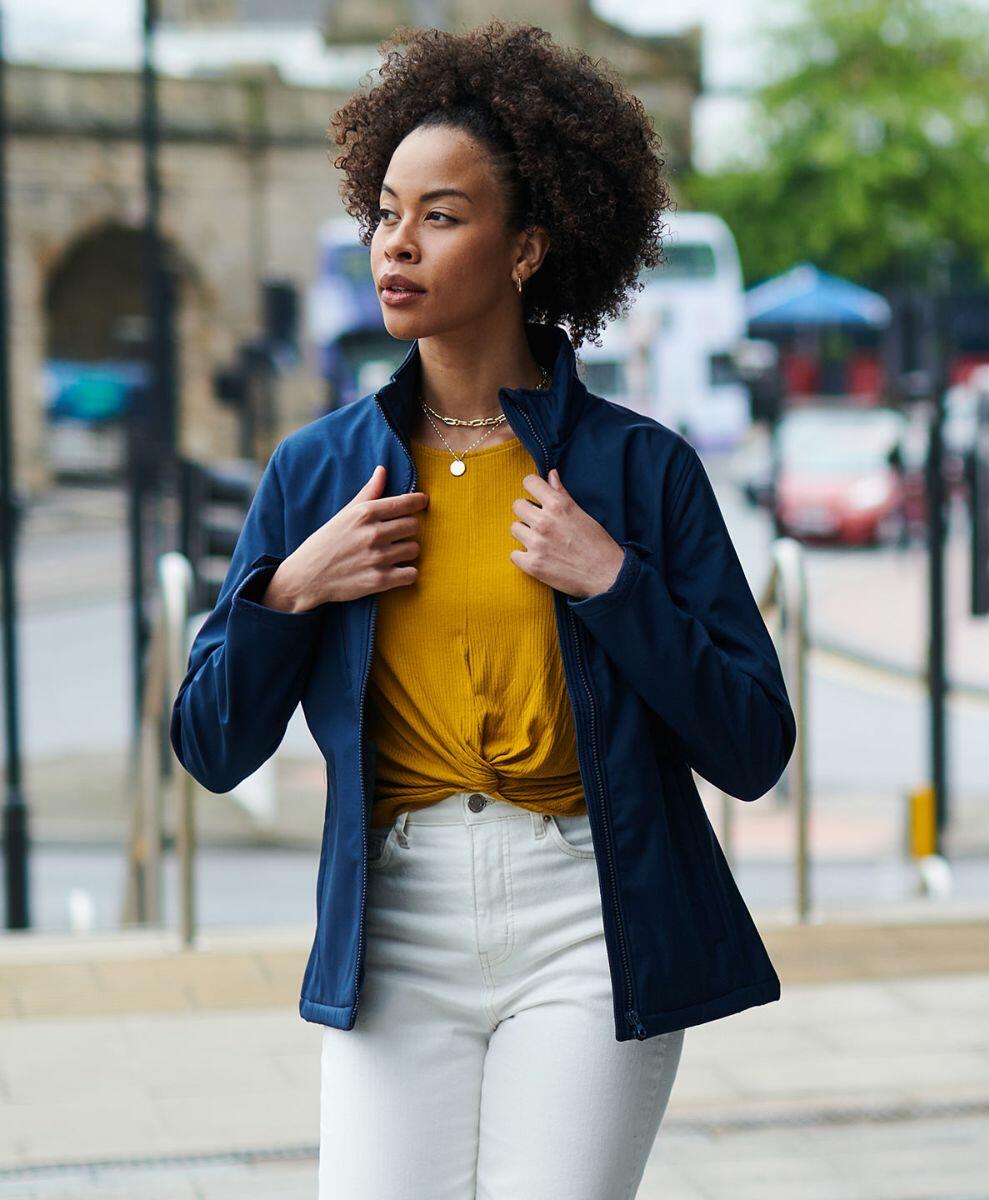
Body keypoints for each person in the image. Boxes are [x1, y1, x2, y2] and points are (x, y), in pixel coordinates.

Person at [170, 19, 796, 1200]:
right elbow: (208, 744)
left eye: (441, 216)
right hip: (393, 924)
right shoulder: (316, 471)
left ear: (526, 250)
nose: (396, 246)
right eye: (386, 213)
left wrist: (614, 582)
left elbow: (753, 743)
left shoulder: (639, 472)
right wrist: (291, 589)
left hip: (585, 919)